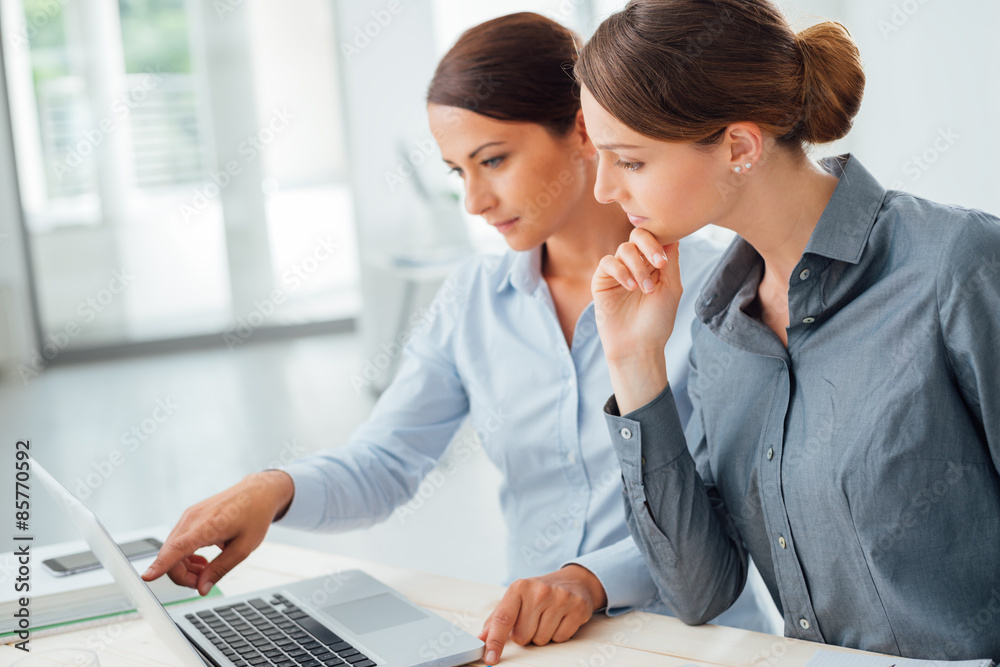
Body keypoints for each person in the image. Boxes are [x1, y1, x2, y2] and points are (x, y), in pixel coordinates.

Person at [141, 12, 771, 665]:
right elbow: (387, 461)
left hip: (699, 645)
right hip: (534, 644)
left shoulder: (717, 295)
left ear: (583, 130)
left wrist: (590, 580)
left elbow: (721, 520)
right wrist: (272, 490)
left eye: (493, 160)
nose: (474, 200)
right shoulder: (474, 300)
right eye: (457, 171)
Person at [575, 0, 1000, 661]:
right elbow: (701, 590)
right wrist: (635, 363)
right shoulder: (721, 323)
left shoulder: (957, 264)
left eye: (628, 161)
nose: (603, 189)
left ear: (739, 146)